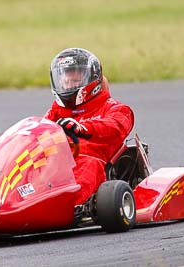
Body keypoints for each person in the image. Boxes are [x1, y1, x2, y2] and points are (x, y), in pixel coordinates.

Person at [44, 48, 135, 205]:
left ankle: (65, 206)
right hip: (56, 162)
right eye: (66, 81)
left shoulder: (114, 108)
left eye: (75, 81)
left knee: (88, 166)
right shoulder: (55, 113)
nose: (69, 85)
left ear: (92, 80)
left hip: (90, 161)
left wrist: (82, 127)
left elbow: (116, 126)